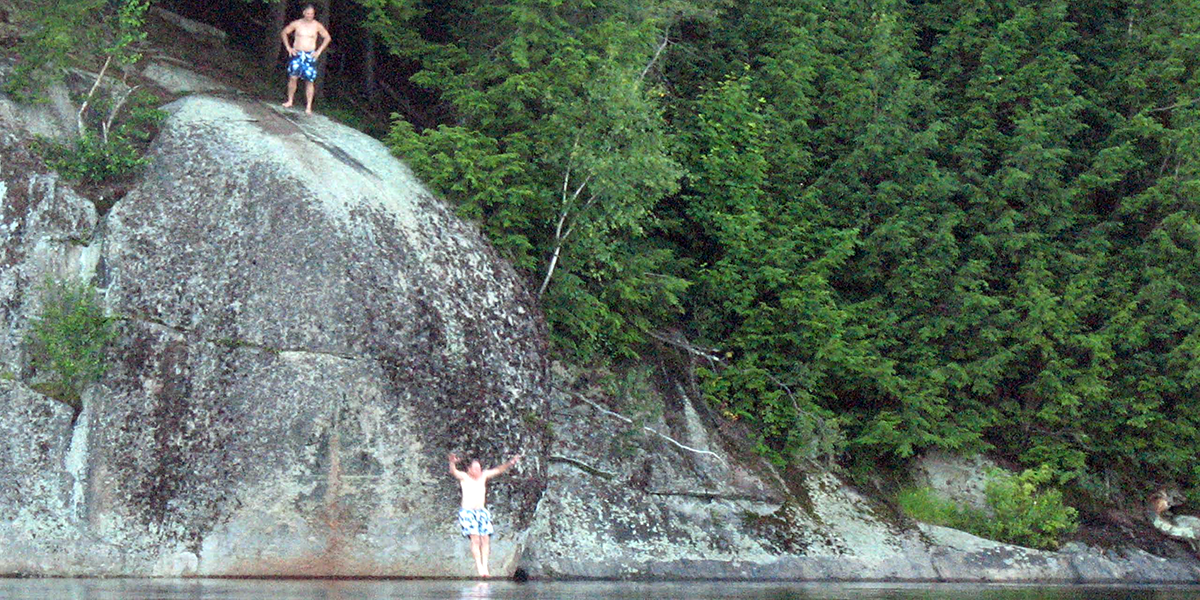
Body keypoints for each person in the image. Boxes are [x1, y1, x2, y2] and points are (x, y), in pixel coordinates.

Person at [448, 452, 521, 577]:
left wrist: (511, 463)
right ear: (469, 470)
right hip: (468, 512)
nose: (478, 470)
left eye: (479, 467)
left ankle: (485, 566)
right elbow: (453, 472)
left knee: (485, 538)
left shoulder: (484, 476)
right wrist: (452, 462)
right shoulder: (465, 477)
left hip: (481, 512)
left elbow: (498, 470)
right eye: (475, 468)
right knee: (475, 538)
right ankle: (479, 568)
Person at [280, 4, 331, 114]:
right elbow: (284, 32)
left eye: (312, 14)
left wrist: (319, 51)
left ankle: (308, 106)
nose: (310, 16)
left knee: (309, 80)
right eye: (308, 13)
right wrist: (288, 47)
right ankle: (290, 100)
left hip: (310, 55)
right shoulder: (297, 23)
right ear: (304, 13)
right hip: (297, 53)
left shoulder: (317, 25)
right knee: (293, 77)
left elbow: (327, 37)